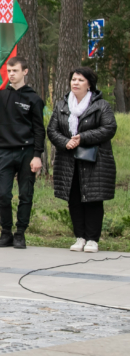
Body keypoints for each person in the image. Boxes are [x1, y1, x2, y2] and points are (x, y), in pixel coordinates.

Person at [47, 67, 117, 253]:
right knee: (74, 199)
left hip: (94, 161)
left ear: (89, 85)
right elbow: (52, 130)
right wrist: (66, 142)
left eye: (80, 80)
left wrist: (82, 137)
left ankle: (92, 239)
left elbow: (109, 128)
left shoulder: (101, 105)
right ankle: (80, 237)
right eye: (73, 79)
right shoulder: (62, 105)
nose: (75, 83)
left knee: (93, 199)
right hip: (68, 160)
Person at [0, 56, 45, 249]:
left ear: (25, 71)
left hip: (27, 152)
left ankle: (20, 233)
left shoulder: (34, 99)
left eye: (15, 70)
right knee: (3, 194)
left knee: (25, 194)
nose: (11, 74)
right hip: (5, 152)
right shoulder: (2, 95)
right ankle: (6, 232)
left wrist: (37, 155)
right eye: (9, 71)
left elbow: (39, 129)